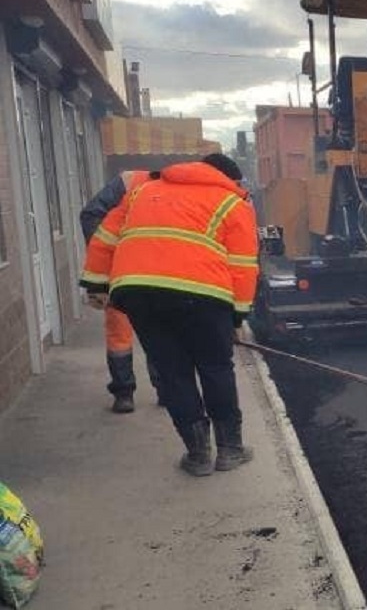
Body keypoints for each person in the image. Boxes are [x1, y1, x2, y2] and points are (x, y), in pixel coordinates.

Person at [79, 154, 259, 477]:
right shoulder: (232, 202)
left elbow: (104, 238)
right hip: (204, 295)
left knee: (173, 372)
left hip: (141, 294)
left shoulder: (142, 192)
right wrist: (236, 318)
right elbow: (243, 266)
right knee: (216, 367)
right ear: (228, 178)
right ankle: (230, 449)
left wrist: (95, 284)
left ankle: (198, 455)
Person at [79, 169, 161, 413]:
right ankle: (163, 389)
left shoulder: (128, 182)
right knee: (157, 332)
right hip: (152, 272)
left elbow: (91, 214)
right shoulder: (136, 182)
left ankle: (125, 394)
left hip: (125, 272)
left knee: (122, 334)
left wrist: (108, 254)